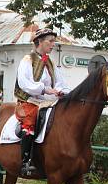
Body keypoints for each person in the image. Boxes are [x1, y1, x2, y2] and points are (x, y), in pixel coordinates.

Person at [13, 27, 70, 175]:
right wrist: (44, 89)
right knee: (30, 121)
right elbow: (25, 83)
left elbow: (59, 82)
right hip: (29, 100)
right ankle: (24, 162)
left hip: (47, 101)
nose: (53, 44)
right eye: (50, 41)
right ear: (39, 42)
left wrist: (61, 91)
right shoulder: (27, 60)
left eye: (54, 42)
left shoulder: (50, 63)